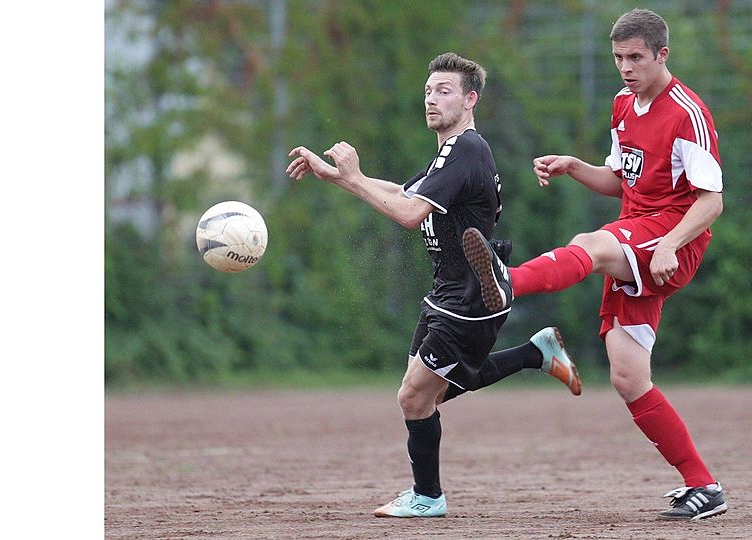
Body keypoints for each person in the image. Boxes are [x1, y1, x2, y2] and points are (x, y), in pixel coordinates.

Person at [285, 52, 582, 519]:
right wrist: (336, 177)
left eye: (444, 90)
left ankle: (428, 497)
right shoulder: (449, 152)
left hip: (470, 297)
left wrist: (356, 177)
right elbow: (406, 194)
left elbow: (407, 215)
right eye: (428, 90)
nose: (431, 98)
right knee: (431, 392)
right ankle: (534, 353)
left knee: (414, 396)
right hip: (446, 292)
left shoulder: (467, 149)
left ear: (470, 99)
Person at [461, 9, 727, 521]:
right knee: (628, 377)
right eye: (618, 58)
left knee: (594, 242)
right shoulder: (623, 105)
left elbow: (711, 200)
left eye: (636, 58)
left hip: (672, 239)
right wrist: (574, 167)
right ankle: (703, 485)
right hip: (641, 238)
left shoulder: (686, 112)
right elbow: (619, 179)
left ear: (662, 54)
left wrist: (671, 243)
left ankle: (508, 281)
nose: (625, 68)